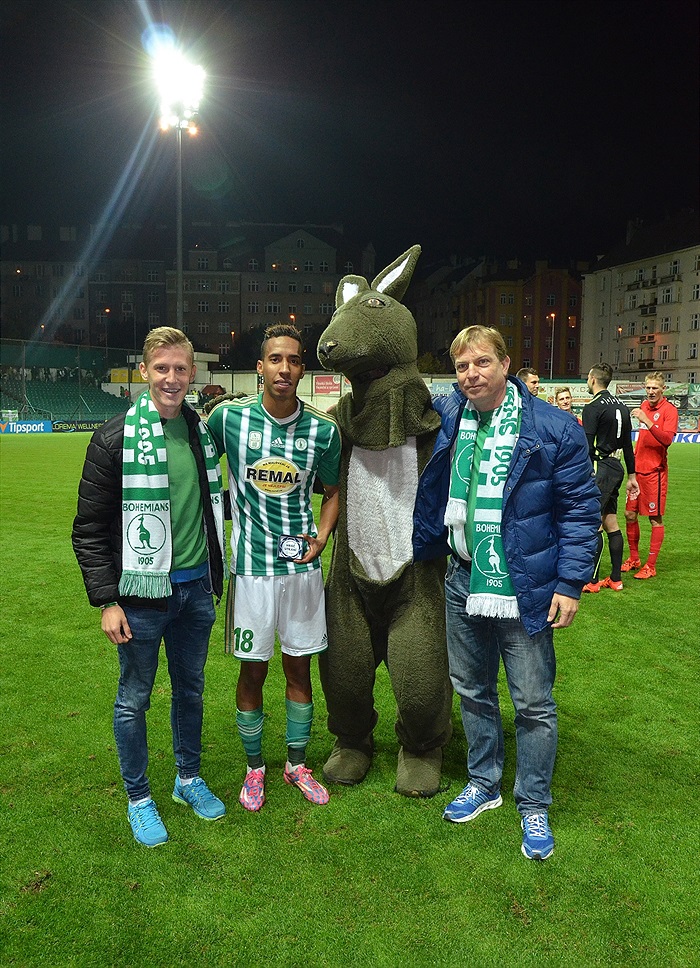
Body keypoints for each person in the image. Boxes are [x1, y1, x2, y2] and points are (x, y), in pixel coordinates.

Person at [415, 326, 600, 860]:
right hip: (461, 577)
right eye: (462, 367)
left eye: (481, 363)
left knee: (533, 703)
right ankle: (484, 782)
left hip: (526, 585)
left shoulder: (554, 427)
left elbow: (581, 511)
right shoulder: (451, 414)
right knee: (472, 689)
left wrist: (570, 584)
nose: (471, 375)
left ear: (505, 364)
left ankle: (534, 802)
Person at [72, 327, 228, 847]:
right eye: (162, 368)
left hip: (195, 590)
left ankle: (188, 779)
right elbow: (88, 528)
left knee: (191, 690)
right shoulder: (113, 438)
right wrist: (106, 600)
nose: (172, 378)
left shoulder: (201, 432)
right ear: (144, 372)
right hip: (139, 598)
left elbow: (210, 507)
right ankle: (139, 798)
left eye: (181, 368)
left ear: (193, 373)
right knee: (134, 699)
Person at [206, 323, 341, 812]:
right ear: (260, 366)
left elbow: (333, 492)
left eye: (294, 360)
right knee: (253, 672)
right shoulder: (228, 419)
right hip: (251, 572)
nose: (285, 368)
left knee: (299, 669)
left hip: (301, 573)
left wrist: (321, 537)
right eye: (276, 359)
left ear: (303, 369)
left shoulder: (323, 431)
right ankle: (254, 769)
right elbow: (198, 462)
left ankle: (296, 764)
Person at [581, 363, 638, 593]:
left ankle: (592, 581)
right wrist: (632, 475)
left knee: (593, 523)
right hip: (617, 467)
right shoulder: (622, 406)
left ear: (593, 379)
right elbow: (628, 445)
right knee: (610, 521)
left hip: (601, 467)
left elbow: (587, 446)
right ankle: (615, 579)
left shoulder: (592, 407)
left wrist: (584, 475)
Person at [622, 372, 678, 579]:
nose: (651, 391)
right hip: (637, 472)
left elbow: (667, 440)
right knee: (629, 514)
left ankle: (651, 566)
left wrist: (647, 421)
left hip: (655, 473)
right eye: (648, 388)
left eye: (655, 388)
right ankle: (634, 558)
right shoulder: (644, 405)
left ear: (663, 389)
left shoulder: (669, 411)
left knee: (655, 518)